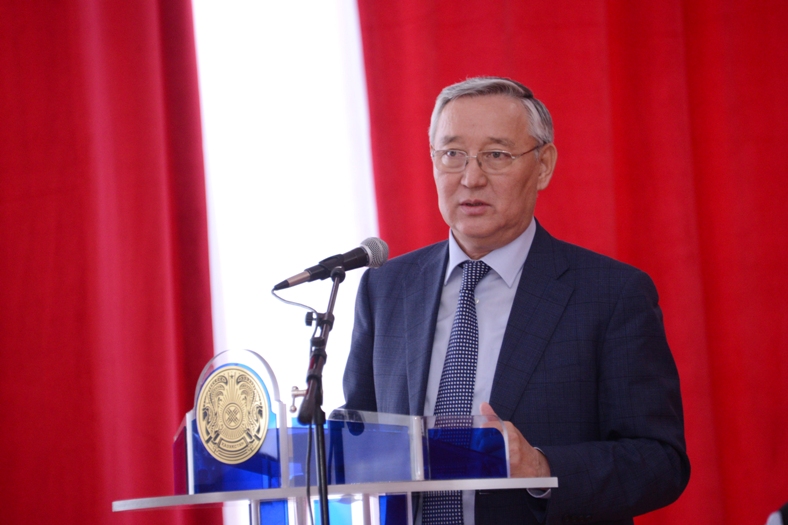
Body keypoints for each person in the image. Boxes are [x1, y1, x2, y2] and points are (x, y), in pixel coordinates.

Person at [343, 76, 690, 524]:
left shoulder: (612, 295)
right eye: (452, 154)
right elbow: (359, 431)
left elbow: (660, 461)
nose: (471, 178)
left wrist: (540, 468)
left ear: (543, 166)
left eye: (496, 155)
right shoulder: (386, 288)